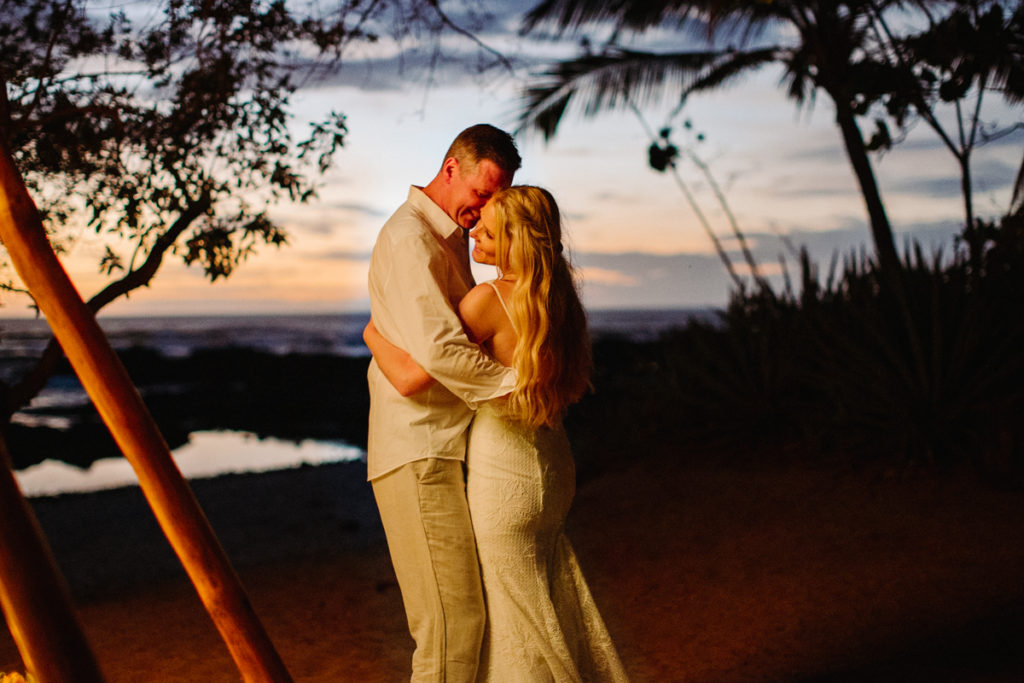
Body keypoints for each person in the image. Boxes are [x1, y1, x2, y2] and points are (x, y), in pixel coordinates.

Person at [365, 186, 629, 681]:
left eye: (488, 233)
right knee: (546, 597)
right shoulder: (560, 302)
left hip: (504, 469)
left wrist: (372, 333)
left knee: (514, 614)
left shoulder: (487, 300)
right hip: (552, 464)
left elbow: (413, 374)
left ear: (515, 241)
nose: (475, 236)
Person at [364, 124, 522, 682]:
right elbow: (440, 351)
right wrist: (517, 386)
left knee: (462, 622)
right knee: (450, 628)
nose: (483, 212)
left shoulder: (449, 236)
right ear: (450, 167)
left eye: (494, 200)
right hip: (419, 449)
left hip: (442, 444)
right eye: (480, 194)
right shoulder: (412, 238)